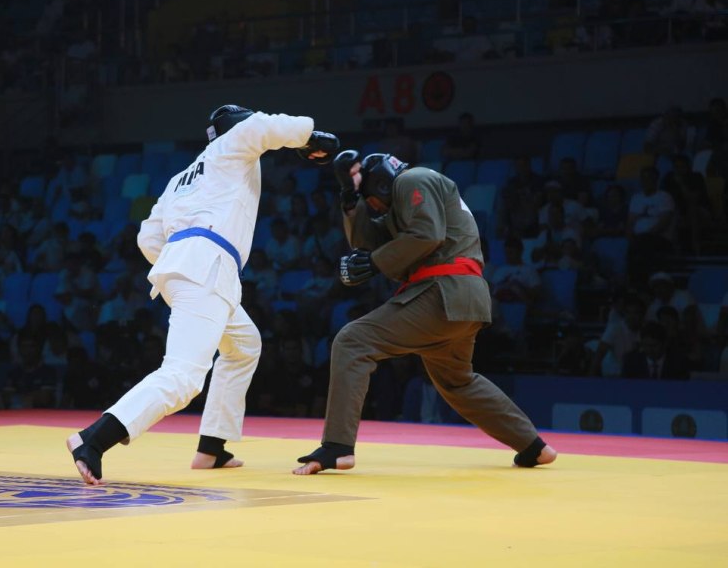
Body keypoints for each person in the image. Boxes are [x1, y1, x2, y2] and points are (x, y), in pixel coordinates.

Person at [66, 104, 340, 484]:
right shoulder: (231, 144)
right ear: (235, 126)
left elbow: (147, 237)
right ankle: (93, 440)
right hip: (206, 268)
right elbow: (263, 125)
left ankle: (212, 446)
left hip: (187, 267)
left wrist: (183, 261)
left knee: (244, 345)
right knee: (183, 377)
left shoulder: (182, 177)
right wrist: (308, 137)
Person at [293, 150, 557, 476]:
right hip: (463, 298)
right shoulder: (402, 205)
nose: (374, 207)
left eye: (371, 199)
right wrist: (350, 200)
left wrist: (376, 262)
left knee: (352, 341)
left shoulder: (413, 179)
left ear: (383, 183)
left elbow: (426, 235)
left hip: (442, 291)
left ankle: (338, 446)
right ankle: (533, 446)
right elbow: (366, 242)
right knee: (457, 381)